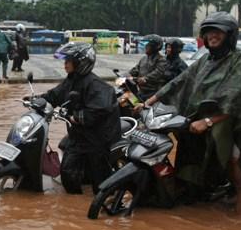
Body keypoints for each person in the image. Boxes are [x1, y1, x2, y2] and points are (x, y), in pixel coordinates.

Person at [144, 12, 241, 216]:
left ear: (229, 35)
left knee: (240, 176)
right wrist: (150, 100)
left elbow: (238, 98)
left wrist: (209, 120)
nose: (213, 36)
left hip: (237, 128)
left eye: (218, 32)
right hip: (202, 125)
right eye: (208, 32)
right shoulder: (206, 59)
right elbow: (180, 80)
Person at [39, 42, 121, 194]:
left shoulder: (96, 85)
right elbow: (55, 94)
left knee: (101, 183)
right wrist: (39, 100)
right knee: (68, 174)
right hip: (79, 137)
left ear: (80, 62)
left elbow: (98, 111)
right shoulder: (71, 80)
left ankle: (105, 206)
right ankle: (73, 209)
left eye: (68, 61)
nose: (65, 65)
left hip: (98, 139)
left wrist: (75, 117)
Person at [127, 34, 166, 101]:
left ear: (155, 46)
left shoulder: (161, 60)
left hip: (153, 92)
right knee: (128, 101)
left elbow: (158, 72)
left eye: (148, 45)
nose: (146, 46)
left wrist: (145, 78)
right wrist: (126, 75)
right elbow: (136, 69)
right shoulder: (143, 59)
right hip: (141, 91)